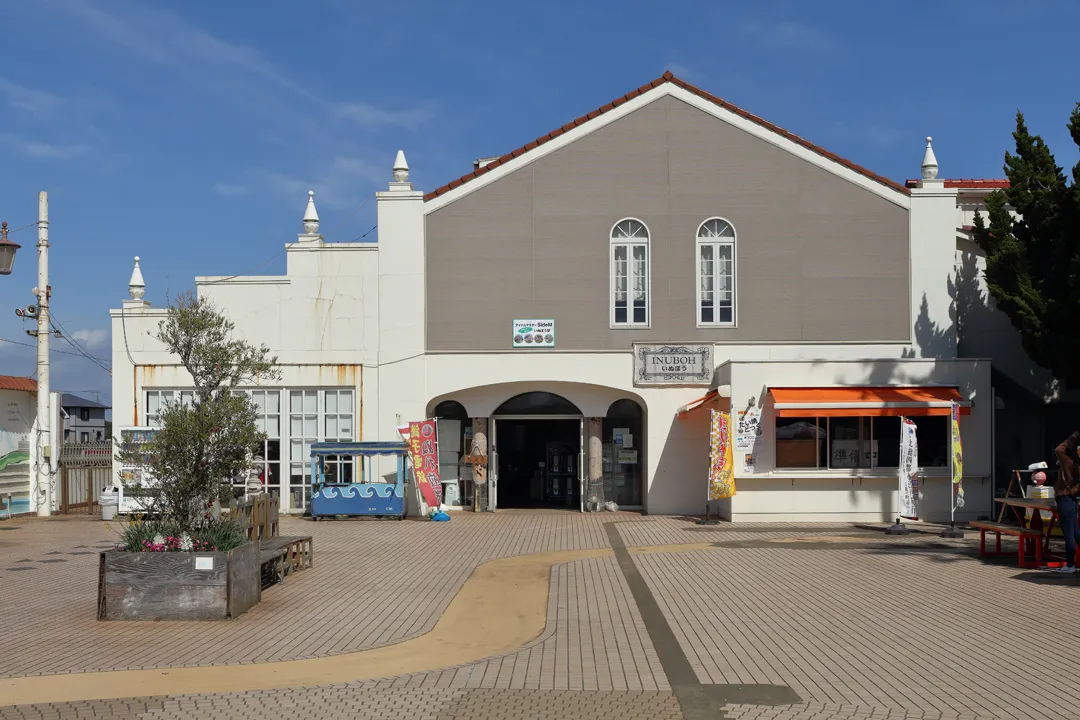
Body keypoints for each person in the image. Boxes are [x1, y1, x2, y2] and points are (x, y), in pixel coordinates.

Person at [1054, 431, 1080, 573]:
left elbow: (1059, 449)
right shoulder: (1076, 461)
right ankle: (1071, 564)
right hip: (1072, 499)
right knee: (1076, 533)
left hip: (1065, 498)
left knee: (1068, 534)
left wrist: (1072, 438)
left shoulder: (1068, 461)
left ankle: (1070, 565)